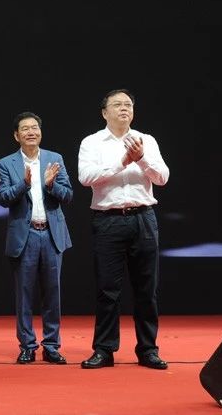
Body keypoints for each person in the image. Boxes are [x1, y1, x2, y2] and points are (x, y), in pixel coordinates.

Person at [77, 89, 170, 370]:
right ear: (104, 112)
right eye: (117, 104)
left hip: (144, 218)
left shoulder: (146, 140)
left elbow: (162, 177)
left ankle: (148, 349)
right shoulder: (92, 142)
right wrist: (122, 162)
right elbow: (86, 177)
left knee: (146, 289)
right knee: (108, 289)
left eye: (128, 104)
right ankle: (104, 350)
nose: (124, 109)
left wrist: (141, 158)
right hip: (109, 220)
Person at [0, 112, 73, 365]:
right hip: (25, 234)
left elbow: (68, 195)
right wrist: (24, 184)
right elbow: (3, 198)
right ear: (16, 135)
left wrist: (51, 185)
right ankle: (27, 345)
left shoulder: (55, 158)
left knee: (53, 293)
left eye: (35, 127)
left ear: (40, 132)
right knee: (24, 294)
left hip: (51, 234)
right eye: (25, 129)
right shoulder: (6, 164)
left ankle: (51, 346)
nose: (31, 132)